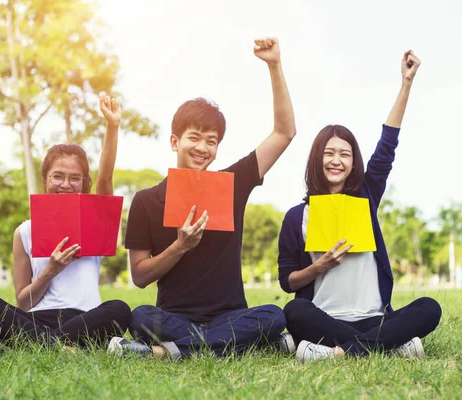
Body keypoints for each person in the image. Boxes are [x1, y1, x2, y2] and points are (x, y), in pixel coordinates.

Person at [109, 38, 296, 360]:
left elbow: (284, 133)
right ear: (174, 141)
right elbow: (140, 277)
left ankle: (167, 353)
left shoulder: (232, 183)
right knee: (139, 315)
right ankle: (232, 345)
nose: (202, 148)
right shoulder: (146, 200)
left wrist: (274, 65)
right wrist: (180, 246)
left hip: (229, 315)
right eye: (193, 138)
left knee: (275, 315)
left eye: (211, 141)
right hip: (173, 317)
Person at [278, 51, 442, 362]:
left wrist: (406, 84)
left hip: (374, 318)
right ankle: (390, 347)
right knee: (294, 310)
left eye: (345, 154)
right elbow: (287, 282)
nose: (336, 160)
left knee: (429, 308)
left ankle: (336, 353)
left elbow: (387, 145)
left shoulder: (366, 197)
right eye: (329, 153)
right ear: (317, 159)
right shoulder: (296, 217)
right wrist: (318, 267)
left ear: (354, 163)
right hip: (324, 317)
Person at [0, 95, 131, 348]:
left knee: (119, 308)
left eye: (75, 178)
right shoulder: (24, 231)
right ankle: (63, 346)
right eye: (58, 176)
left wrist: (113, 126)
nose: (65, 184)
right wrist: (50, 271)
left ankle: (41, 345)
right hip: (38, 319)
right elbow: (23, 303)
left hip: (84, 317)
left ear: (84, 184)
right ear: (45, 179)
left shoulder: (93, 220)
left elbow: (106, 178)